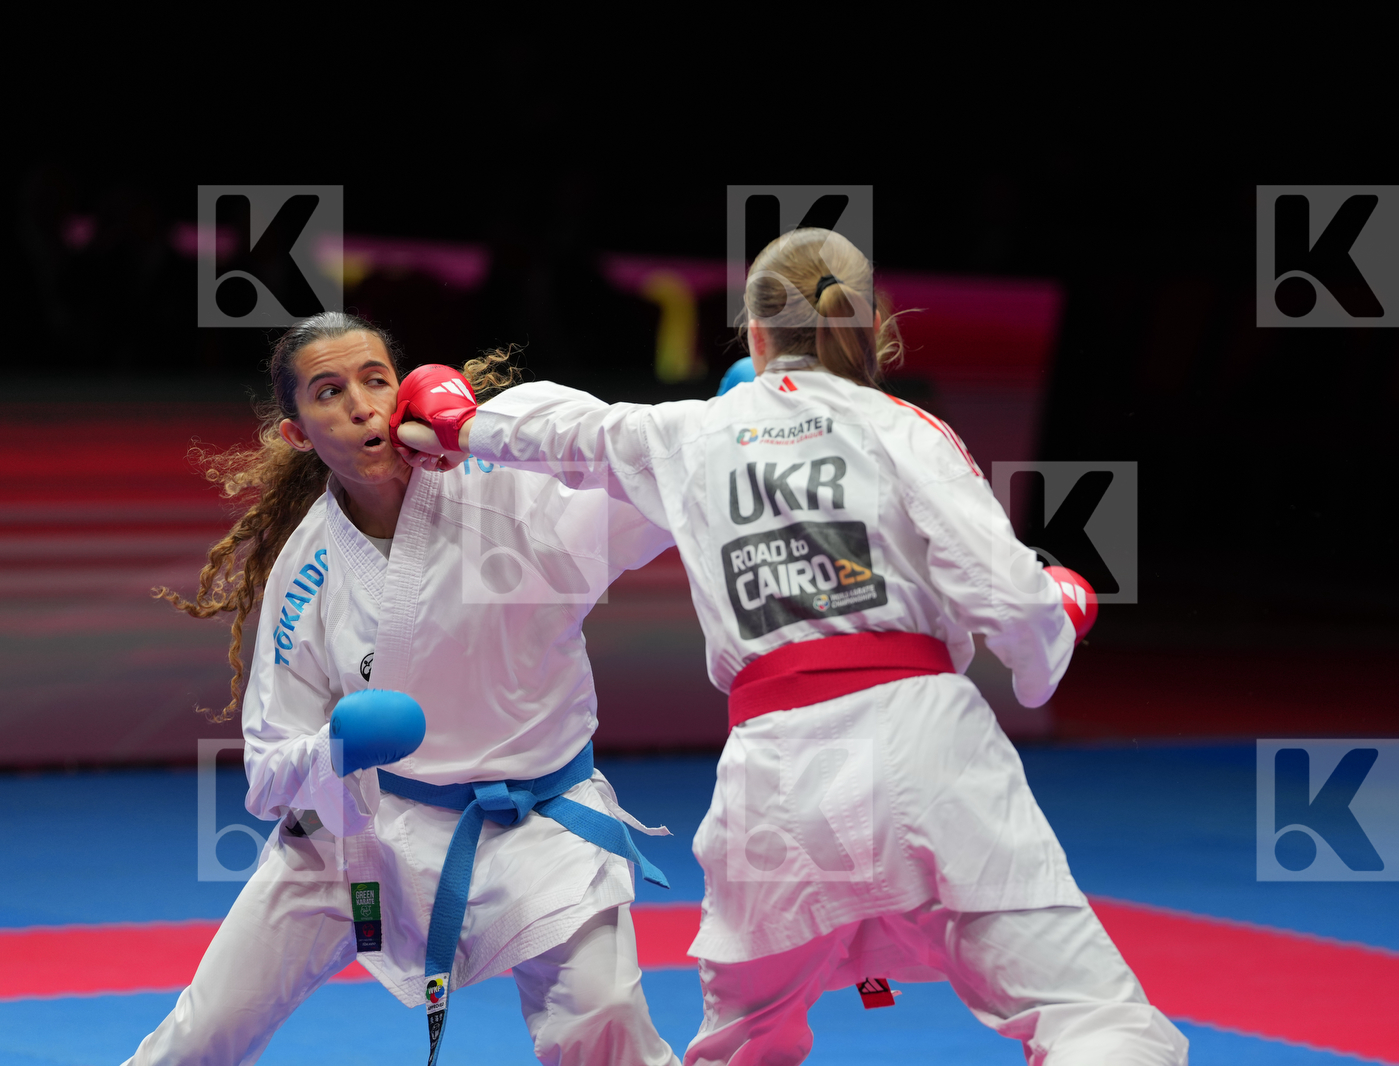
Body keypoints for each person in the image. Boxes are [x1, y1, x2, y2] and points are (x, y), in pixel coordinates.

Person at [399, 229, 1190, 1064]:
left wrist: (464, 426)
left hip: (777, 782)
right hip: (928, 758)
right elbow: (1004, 593)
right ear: (871, 326)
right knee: (1092, 1019)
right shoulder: (906, 427)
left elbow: (575, 431)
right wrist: (1056, 619)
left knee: (746, 1046)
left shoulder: (692, 432)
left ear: (756, 330)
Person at [131, 312, 681, 1066]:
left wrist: (488, 427)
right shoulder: (309, 571)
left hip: (541, 825)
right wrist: (334, 748)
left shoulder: (514, 493)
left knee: (607, 1019)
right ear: (298, 433)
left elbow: (644, 470)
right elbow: (267, 772)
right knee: (203, 1032)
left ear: (410, 390)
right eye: (329, 392)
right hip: (365, 832)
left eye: (376, 380)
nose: (361, 405)